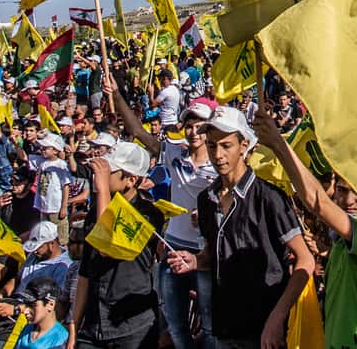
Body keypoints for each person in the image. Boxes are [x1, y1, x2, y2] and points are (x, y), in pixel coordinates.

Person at [171, 106, 314, 348]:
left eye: (226, 145)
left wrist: (277, 317)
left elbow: (305, 260)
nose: (218, 154)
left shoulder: (269, 197)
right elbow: (214, 251)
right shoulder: (206, 200)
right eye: (212, 145)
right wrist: (195, 261)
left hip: (265, 330)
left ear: (243, 145)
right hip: (225, 326)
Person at [253, 106, 357, 348]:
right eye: (343, 191)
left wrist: (279, 145)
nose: (348, 201)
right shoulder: (347, 239)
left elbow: (318, 203)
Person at [107, 77, 218, 349]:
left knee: (210, 324)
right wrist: (117, 94)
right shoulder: (173, 153)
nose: (193, 132)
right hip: (173, 246)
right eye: (188, 126)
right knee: (174, 321)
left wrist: (206, 215)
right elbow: (138, 132)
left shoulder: (221, 165)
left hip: (206, 251)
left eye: (199, 127)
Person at [69, 141, 163, 349]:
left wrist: (101, 191)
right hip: (93, 324)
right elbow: (85, 271)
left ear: (131, 179)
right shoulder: (95, 213)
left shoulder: (147, 214)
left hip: (131, 327)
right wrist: (74, 324)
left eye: (109, 172)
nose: (99, 177)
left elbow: (107, 247)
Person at [14, 276, 70, 349]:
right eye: (26, 304)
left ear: (50, 304)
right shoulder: (27, 329)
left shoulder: (61, 338)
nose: (25, 311)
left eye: (33, 305)